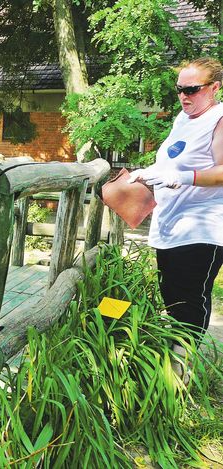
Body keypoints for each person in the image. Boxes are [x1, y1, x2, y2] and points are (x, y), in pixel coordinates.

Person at [128, 57, 223, 373]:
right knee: (171, 294)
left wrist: (187, 178)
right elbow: (172, 160)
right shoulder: (184, 119)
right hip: (170, 224)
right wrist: (149, 173)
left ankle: (180, 373)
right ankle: (170, 366)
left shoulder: (219, 118)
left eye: (192, 89)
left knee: (190, 299)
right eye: (180, 89)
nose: (184, 96)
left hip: (203, 227)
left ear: (214, 88)